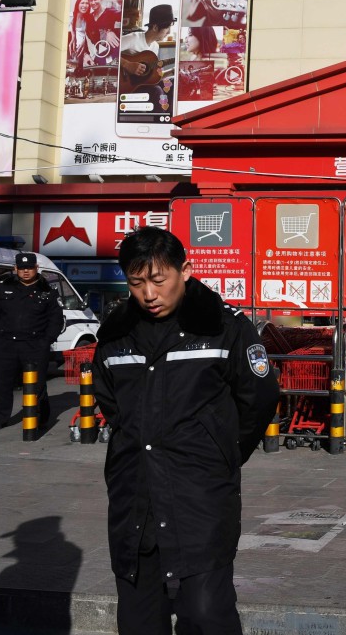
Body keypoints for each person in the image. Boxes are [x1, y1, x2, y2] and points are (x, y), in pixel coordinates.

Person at [92, 227, 279, 634]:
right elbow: (112, 405)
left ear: (186, 271)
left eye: (159, 280)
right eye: (137, 283)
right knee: (139, 619)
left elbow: (259, 396)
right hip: (134, 496)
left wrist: (221, 451)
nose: (149, 294)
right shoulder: (115, 335)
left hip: (201, 496)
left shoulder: (224, 327)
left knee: (206, 614)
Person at [0, 252, 63, 435]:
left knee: (37, 385)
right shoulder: (4, 288)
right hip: (5, 344)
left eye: (29, 268)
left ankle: (39, 418)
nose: (25, 271)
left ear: (36, 268)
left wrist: (46, 341)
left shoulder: (47, 291)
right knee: (1, 384)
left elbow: (55, 320)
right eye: (21, 268)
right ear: (15, 269)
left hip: (35, 345)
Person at [120, 4, 176, 81]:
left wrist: (172, 71)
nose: (169, 32)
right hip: (124, 83)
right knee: (157, 90)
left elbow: (152, 79)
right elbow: (107, 52)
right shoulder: (133, 38)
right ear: (155, 27)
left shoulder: (155, 46)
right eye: (167, 28)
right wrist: (127, 64)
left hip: (140, 84)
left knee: (171, 82)